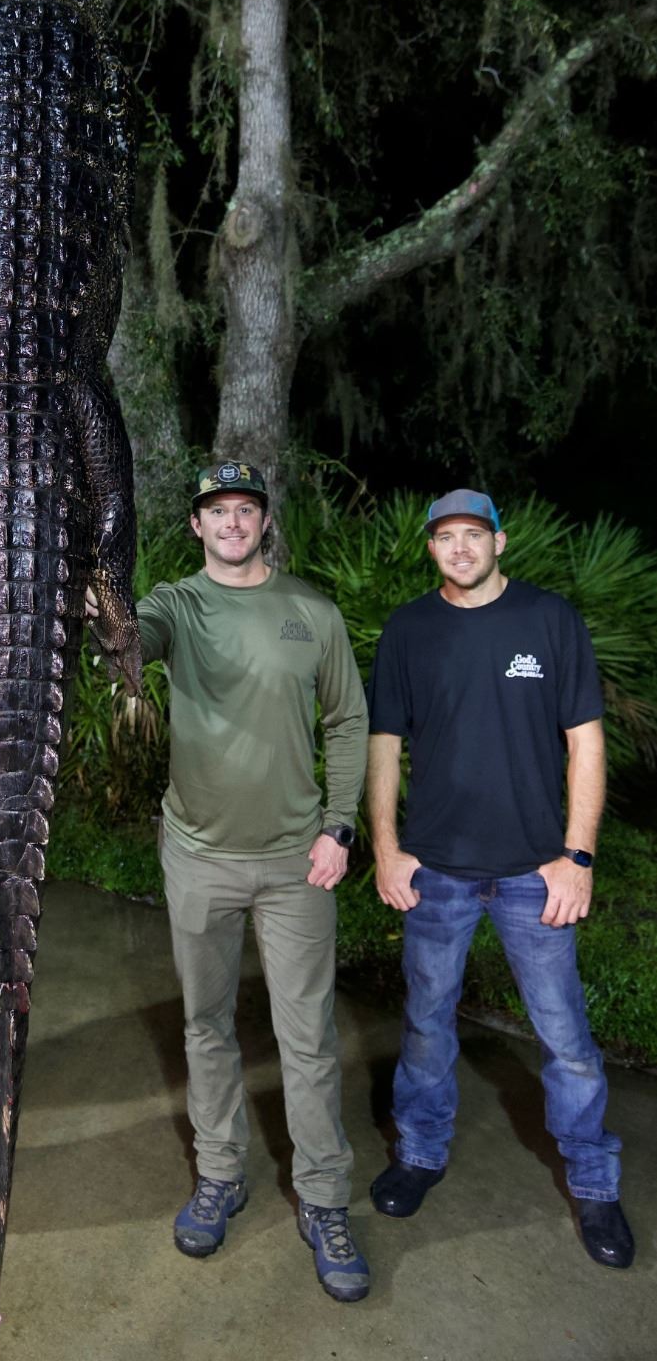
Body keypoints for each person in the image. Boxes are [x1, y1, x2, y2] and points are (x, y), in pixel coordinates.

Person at [117, 460, 371, 1301]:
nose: (231, 523)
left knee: (308, 1037)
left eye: (244, 509)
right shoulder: (176, 605)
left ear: (265, 520)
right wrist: (94, 591)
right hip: (199, 857)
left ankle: (324, 1200)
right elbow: (124, 642)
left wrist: (339, 827)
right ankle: (220, 1173)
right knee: (206, 1024)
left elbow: (347, 720)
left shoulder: (311, 612)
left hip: (298, 861)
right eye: (216, 510)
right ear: (195, 524)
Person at [366, 488, 632, 1269]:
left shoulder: (548, 620)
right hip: (435, 872)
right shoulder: (408, 630)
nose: (459, 548)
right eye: (444, 536)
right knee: (425, 1025)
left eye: (472, 535)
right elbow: (383, 745)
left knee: (566, 1040)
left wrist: (576, 856)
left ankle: (592, 1184)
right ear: (429, 547)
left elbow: (585, 744)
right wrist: (386, 848)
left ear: (498, 542)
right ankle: (419, 1153)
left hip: (532, 874)